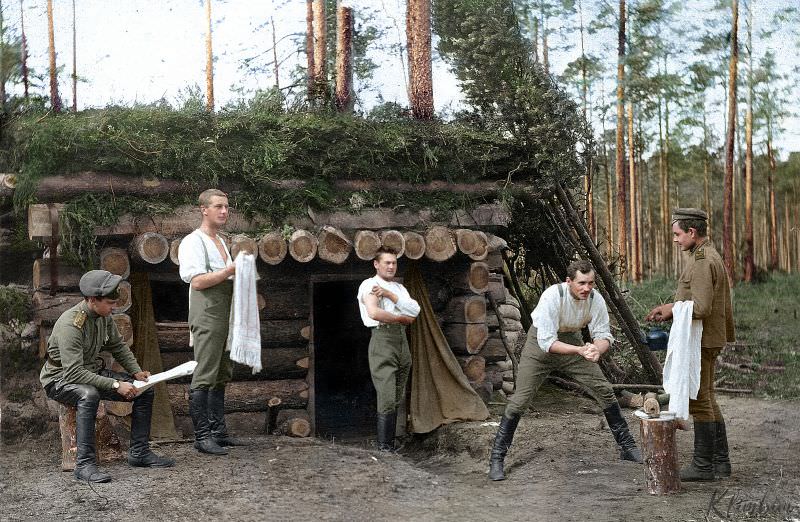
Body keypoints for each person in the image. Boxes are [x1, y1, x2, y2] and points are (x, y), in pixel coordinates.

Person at [488, 259, 642, 481]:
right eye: (581, 283)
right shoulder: (553, 296)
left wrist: (596, 350)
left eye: (591, 283)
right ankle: (497, 458)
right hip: (541, 348)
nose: (586, 288)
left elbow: (604, 335)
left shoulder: (595, 299)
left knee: (604, 389)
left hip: (573, 343)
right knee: (520, 400)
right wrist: (580, 350)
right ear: (568, 281)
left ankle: (627, 447)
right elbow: (547, 343)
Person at [40, 270, 175, 483]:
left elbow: (118, 346)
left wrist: (136, 372)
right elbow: (73, 372)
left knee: (144, 388)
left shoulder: (103, 317)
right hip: (60, 379)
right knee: (89, 395)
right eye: (110, 303)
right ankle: (84, 465)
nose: (114, 307)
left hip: (89, 372)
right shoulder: (71, 325)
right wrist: (115, 384)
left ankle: (139, 452)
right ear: (93, 300)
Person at [646, 208, 735, 481]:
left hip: (703, 339)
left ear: (692, 232)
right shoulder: (705, 255)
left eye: (677, 234)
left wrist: (672, 308)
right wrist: (672, 308)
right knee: (708, 396)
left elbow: (702, 307)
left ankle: (703, 465)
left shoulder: (702, 260)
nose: (675, 239)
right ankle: (720, 463)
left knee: (699, 401)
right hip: (707, 337)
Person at [178, 189, 246, 455]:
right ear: (203, 210)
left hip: (224, 315)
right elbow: (196, 280)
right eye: (218, 206)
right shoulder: (193, 242)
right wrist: (229, 271)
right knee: (205, 372)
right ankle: (202, 436)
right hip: (207, 314)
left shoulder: (221, 241)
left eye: (227, 207)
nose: (224, 211)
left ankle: (219, 432)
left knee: (220, 374)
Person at [357, 247, 421, 451]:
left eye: (394, 262)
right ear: (376, 264)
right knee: (386, 394)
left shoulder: (399, 289)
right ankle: (385, 447)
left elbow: (415, 310)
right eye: (387, 262)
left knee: (396, 395)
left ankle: (390, 443)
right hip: (382, 338)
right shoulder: (369, 284)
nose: (391, 266)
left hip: (401, 340)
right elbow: (374, 312)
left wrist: (390, 295)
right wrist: (400, 318)